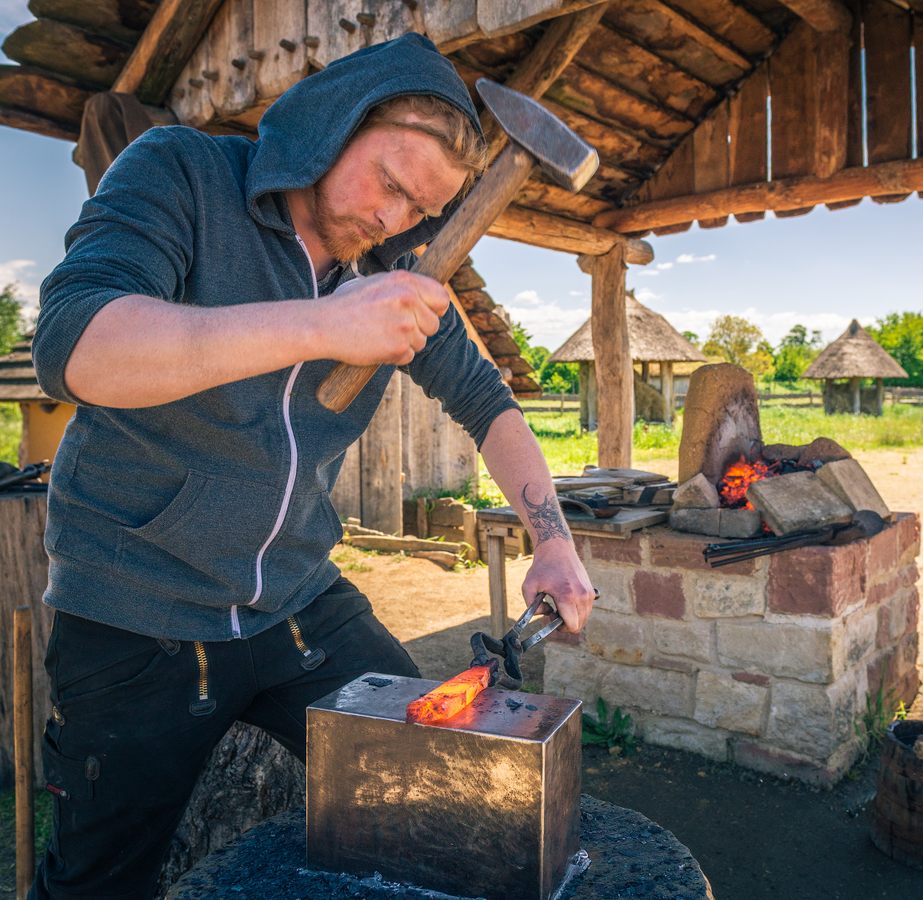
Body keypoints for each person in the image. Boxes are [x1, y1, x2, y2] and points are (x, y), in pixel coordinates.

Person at [29, 33, 594, 899]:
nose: (394, 218)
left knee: (435, 774)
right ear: (331, 125)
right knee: (99, 881)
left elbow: (490, 405)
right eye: (392, 183)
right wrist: (326, 323)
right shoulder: (180, 173)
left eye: (420, 208)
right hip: (133, 612)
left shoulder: (394, 272)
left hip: (295, 606)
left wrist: (551, 538)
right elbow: (77, 345)